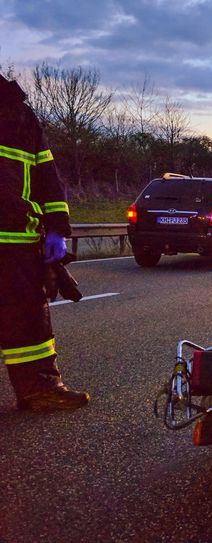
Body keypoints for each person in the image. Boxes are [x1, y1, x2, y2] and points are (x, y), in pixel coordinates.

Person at [0, 74, 90, 411]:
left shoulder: (15, 111)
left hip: (17, 242)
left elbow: (47, 175)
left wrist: (57, 228)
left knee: (27, 321)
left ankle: (40, 388)